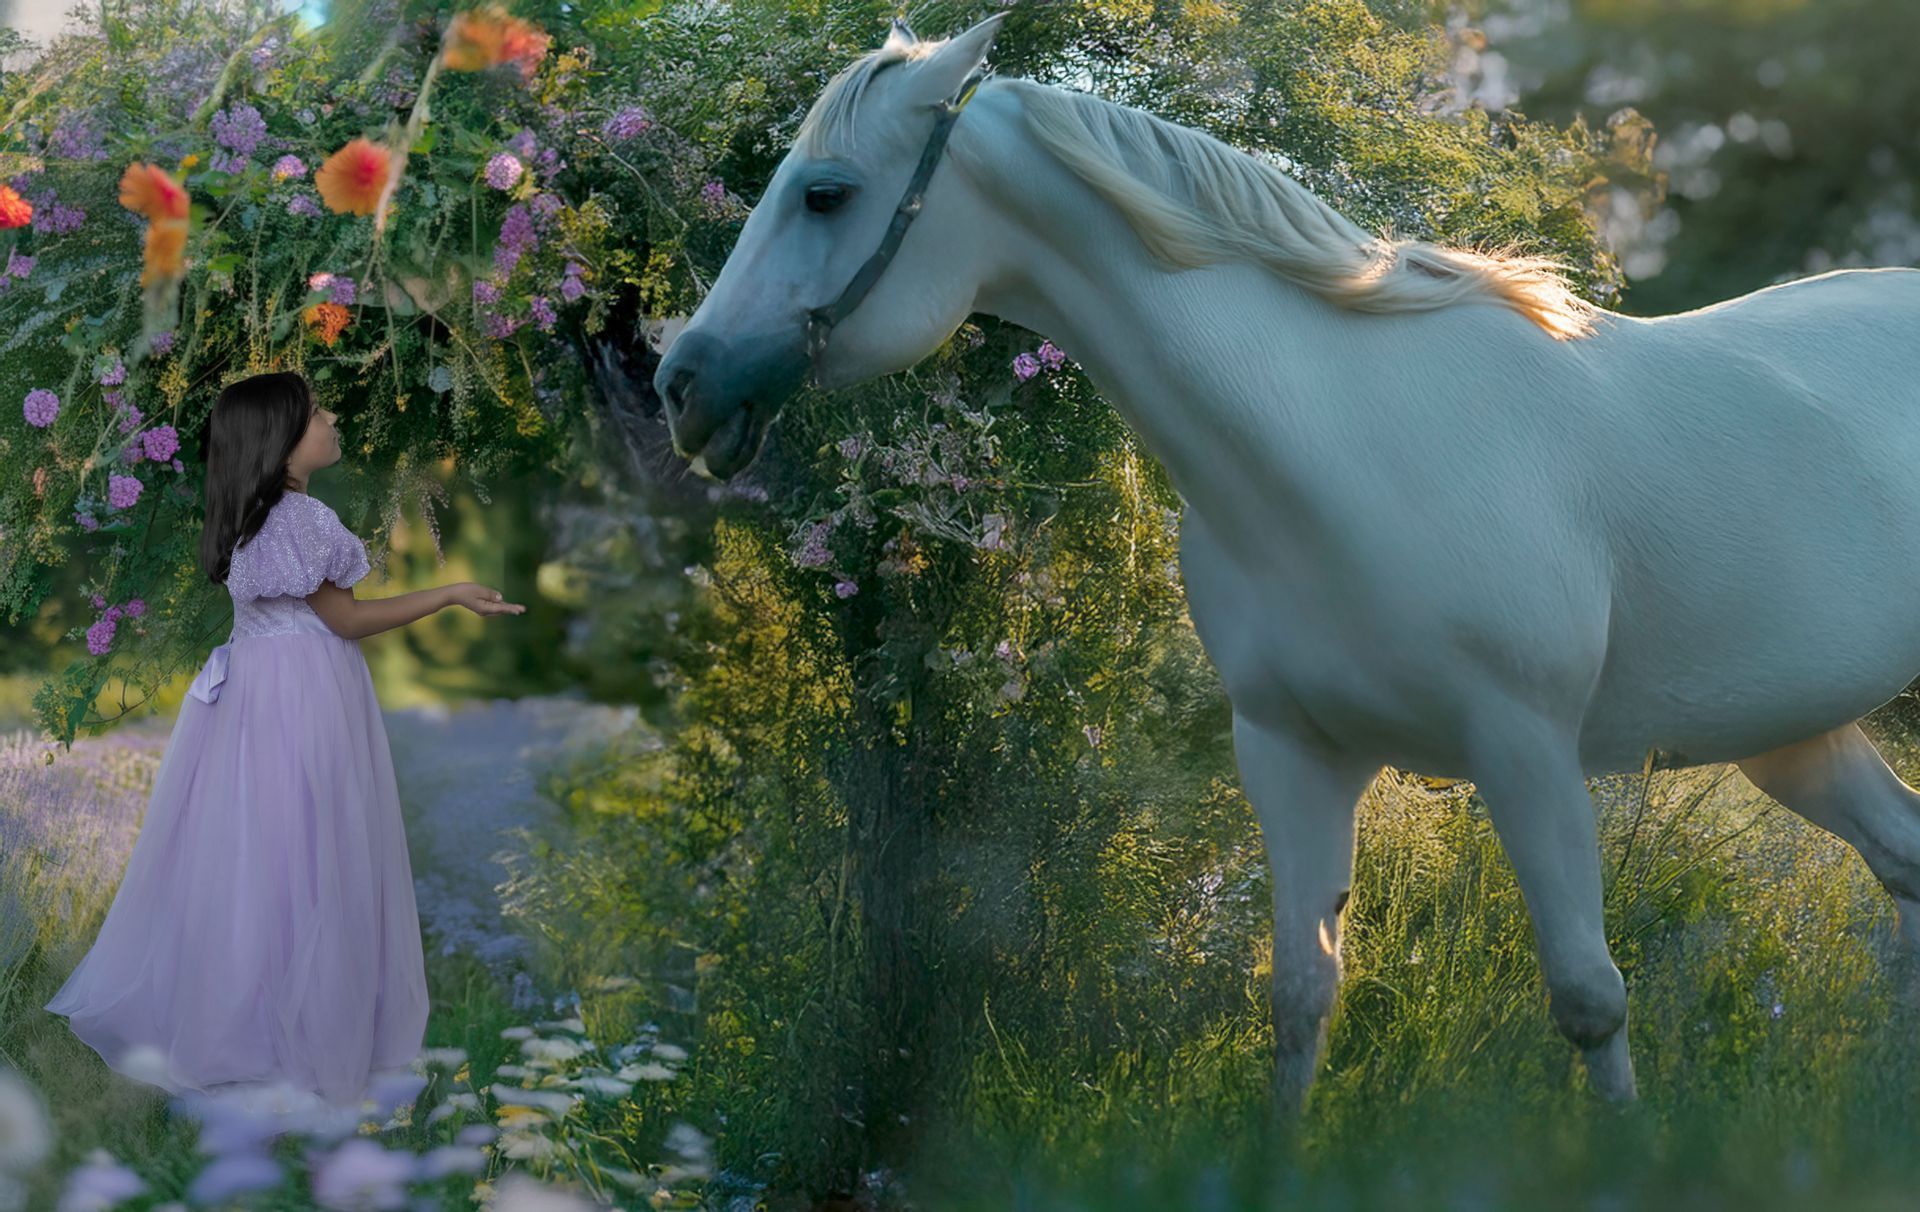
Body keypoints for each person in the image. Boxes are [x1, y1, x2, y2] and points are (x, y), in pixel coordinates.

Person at [45, 370, 524, 1108]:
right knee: (317, 851)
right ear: (283, 438)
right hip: (307, 694)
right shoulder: (303, 521)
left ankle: (244, 1024)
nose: (333, 419)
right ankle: (307, 1035)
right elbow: (348, 621)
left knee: (260, 853)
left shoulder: (247, 515)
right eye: (317, 412)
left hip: (255, 695)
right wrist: (453, 593)